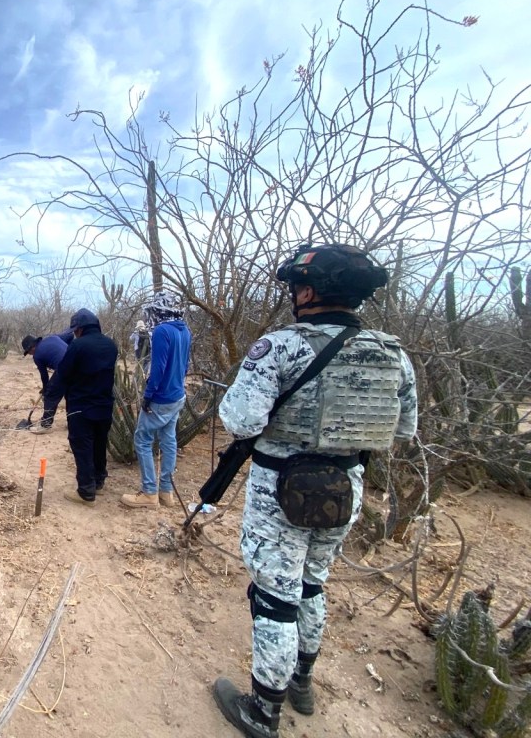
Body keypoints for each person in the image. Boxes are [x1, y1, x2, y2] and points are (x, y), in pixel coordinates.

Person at [212, 244, 418, 738]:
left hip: (279, 490)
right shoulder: (393, 353)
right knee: (312, 585)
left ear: (308, 291)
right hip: (345, 487)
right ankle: (302, 682)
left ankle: (263, 710)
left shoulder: (280, 346)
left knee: (275, 598)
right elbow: (404, 430)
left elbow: (241, 420)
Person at [120, 290, 192, 509]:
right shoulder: (184, 330)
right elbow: (186, 364)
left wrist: (148, 396)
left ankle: (149, 493)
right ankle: (166, 492)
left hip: (161, 397)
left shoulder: (162, 331)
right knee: (169, 440)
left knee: (142, 439)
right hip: (177, 395)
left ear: (160, 310)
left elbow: (158, 368)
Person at [42, 309, 118, 506]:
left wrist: (49, 398)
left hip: (81, 408)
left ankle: (86, 491)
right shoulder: (111, 345)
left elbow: (63, 375)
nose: (74, 333)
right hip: (104, 405)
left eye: (75, 330)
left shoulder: (77, 346)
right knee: (100, 444)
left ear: (81, 329)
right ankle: (99, 481)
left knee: (82, 447)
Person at [21, 332, 69, 433]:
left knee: (50, 395)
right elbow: (69, 336)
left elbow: (44, 375)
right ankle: (73, 422)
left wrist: (46, 389)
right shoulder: (53, 338)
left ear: (32, 347)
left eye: (29, 352)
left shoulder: (37, 355)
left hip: (63, 368)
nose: (30, 354)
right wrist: (46, 387)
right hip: (78, 363)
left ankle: (45, 425)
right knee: (71, 394)